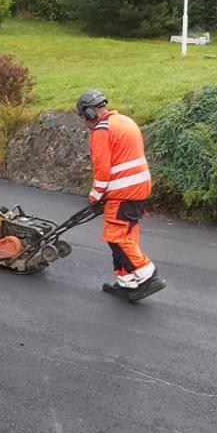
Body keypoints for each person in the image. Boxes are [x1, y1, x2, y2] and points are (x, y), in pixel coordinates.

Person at [76, 90, 166, 300]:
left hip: (123, 191)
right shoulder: (124, 121)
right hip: (140, 188)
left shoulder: (102, 130)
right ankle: (127, 281)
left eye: (83, 117)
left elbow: (103, 170)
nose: (84, 123)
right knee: (127, 235)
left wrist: (95, 196)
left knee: (116, 236)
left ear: (89, 113)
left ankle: (147, 273)